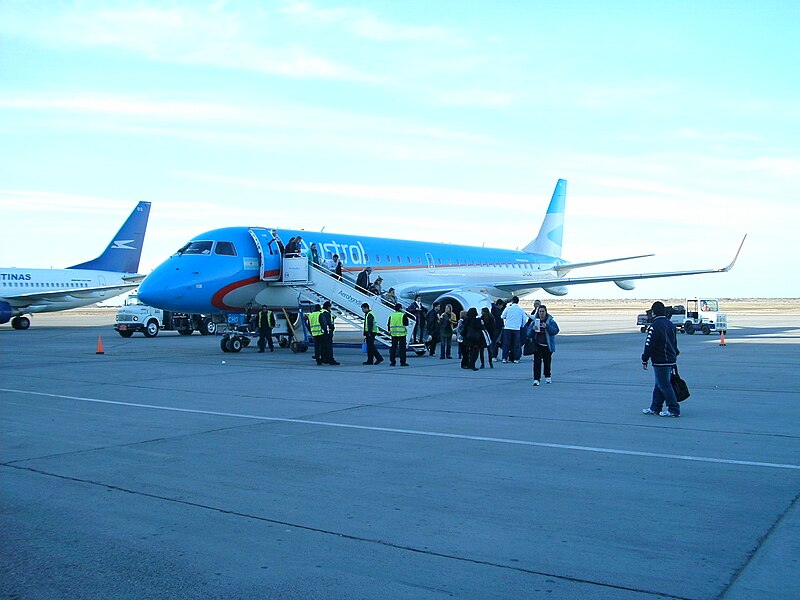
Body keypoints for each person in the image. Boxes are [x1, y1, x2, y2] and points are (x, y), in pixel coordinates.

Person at [641, 301, 681, 417]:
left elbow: (649, 344)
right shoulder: (670, 324)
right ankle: (655, 407)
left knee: (664, 384)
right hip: (670, 358)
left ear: (653, 312)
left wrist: (645, 359)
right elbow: (674, 342)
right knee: (659, 384)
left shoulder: (654, 326)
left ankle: (673, 409)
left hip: (661, 360)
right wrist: (675, 355)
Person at [530, 305, 559, 385]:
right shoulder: (535, 321)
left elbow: (555, 331)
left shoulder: (550, 321)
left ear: (546, 312)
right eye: (540, 311)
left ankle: (547, 376)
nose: (541, 313)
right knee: (537, 363)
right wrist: (533, 330)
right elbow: (528, 333)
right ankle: (536, 379)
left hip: (547, 345)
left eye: (543, 311)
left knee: (547, 362)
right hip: (538, 345)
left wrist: (547, 327)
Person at [500, 296, 531, 363]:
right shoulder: (520, 310)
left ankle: (504, 358)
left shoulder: (508, 308)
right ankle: (516, 359)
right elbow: (525, 319)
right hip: (516, 329)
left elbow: (502, 316)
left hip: (508, 328)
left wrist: (508, 318)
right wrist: (521, 325)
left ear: (512, 301)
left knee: (506, 343)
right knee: (516, 344)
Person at [320, 300, 339, 365]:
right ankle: (331, 360)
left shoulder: (321, 312)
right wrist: (332, 327)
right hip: (328, 332)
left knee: (323, 346)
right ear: (328, 307)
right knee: (329, 347)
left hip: (321, 332)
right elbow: (328, 323)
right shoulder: (326, 313)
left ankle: (324, 359)